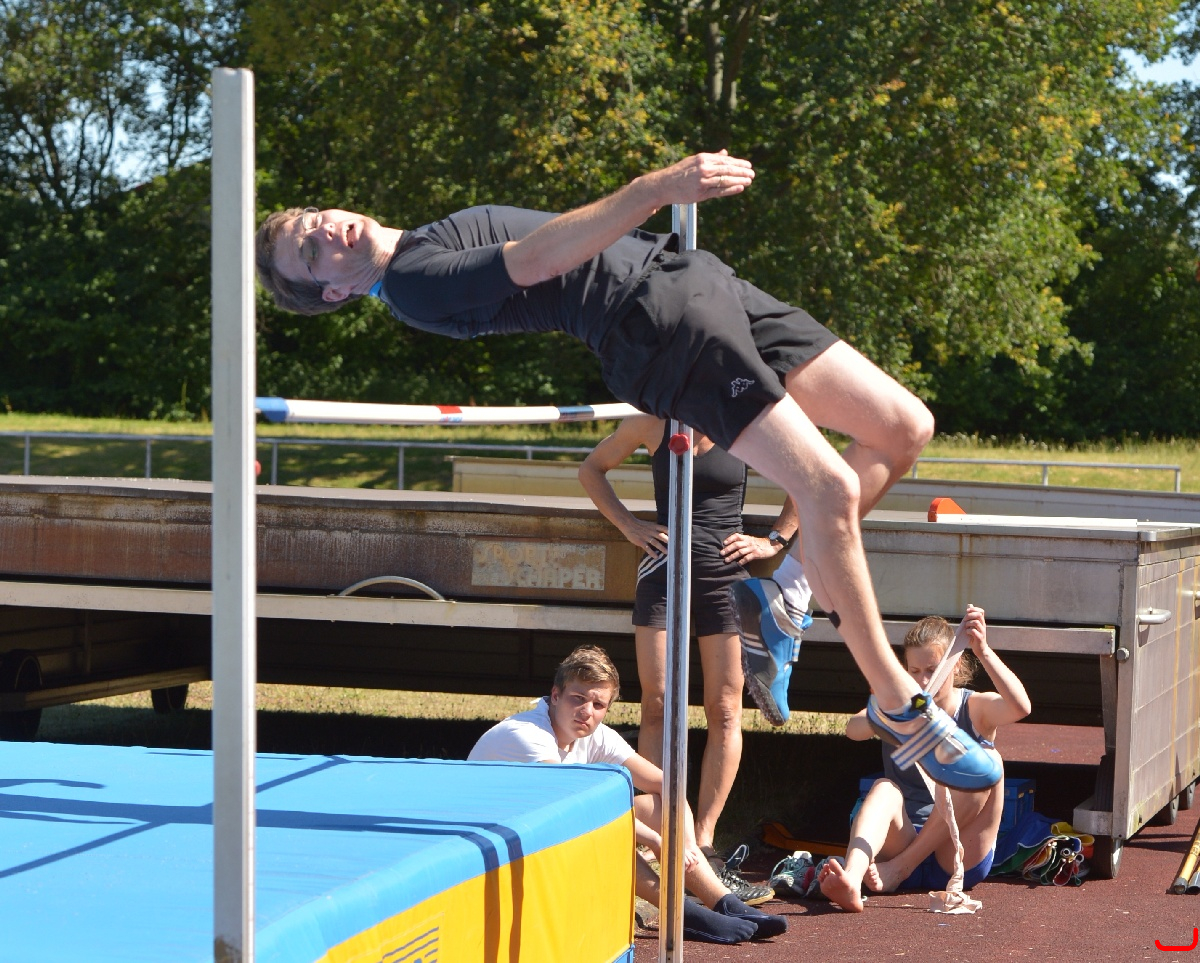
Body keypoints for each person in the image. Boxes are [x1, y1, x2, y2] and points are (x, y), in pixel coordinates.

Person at [256, 149, 1000, 793]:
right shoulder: (413, 281)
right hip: (658, 323)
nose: (324, 231)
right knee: (828, 484)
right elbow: (536, 260)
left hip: (696, 283)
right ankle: (897, 703)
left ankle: (786, 591)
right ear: (334, 292)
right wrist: (657, 187)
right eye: (310, 253)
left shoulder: (419, 240)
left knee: (903, 427)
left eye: (313, 220)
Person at [577, 412, 796, 895]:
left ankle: (704, 841)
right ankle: (659, 832)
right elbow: (591, 469)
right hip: (661, 571)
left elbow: (805, 475)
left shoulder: (744, 422)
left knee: (725, 708)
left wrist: (773, 540)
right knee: (657, 703)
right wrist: (629, 525)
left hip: (724, 575)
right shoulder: (651, 420)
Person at [467, 645, 787, 944]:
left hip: (533, 835)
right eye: (577, 699)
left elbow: (668, 785)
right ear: (555, 695)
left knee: (658, 805)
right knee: (605, 828)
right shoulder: (528, 736)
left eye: (598, 705)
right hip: (485, 847)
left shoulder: (594, 734)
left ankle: (724, 903)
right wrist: (656, 840)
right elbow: (582, 807)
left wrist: (685, 843)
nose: (586, 711)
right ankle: (682, 913)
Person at [817, 607, 1032, 912]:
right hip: (901, 839)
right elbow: (853, 730)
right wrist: (888, 714)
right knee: (884, 787)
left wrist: (983, 651)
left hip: (955, 853)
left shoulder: (974, 708)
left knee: (989, 761)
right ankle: (851, 880)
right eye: (914, 671)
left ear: (955, 666)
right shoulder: (899, 708)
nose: (922, 681)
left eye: (932, 670)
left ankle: (902, 868)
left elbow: (1020, 707)